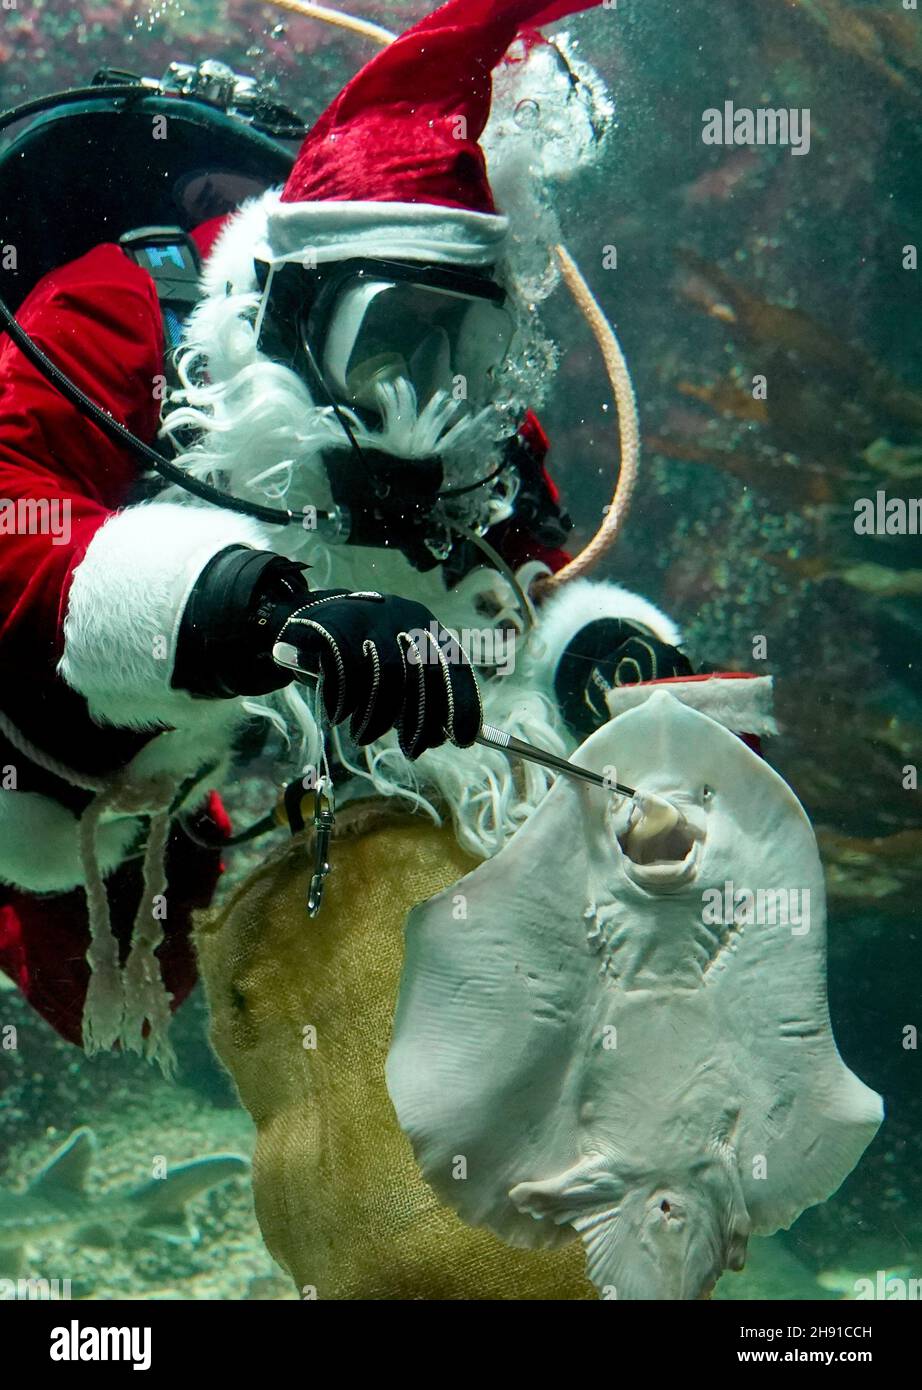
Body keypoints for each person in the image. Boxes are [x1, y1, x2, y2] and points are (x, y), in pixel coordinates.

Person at [0, 0, 773, 1067]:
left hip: (292, 724)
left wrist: (598, 665)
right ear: (297, 311)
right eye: (397, 337)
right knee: (98, 991)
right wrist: (244, 605)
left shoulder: (476, 429)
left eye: (473, 345)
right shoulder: (119, 314)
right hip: (74, 729)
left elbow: (525, 589)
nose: (431, 391)